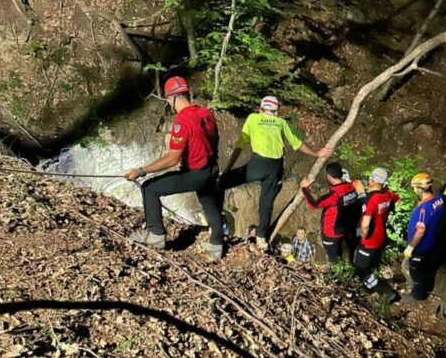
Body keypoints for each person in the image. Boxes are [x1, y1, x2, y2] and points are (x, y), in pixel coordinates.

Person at [124, 76, 224, 258]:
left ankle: (156, 235)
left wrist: (141, 171)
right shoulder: (206, 113)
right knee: (209, 203)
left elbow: (172, 159)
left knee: (150, 188)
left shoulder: (182, 121)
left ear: (171, 98)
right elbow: (215, 140)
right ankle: (216, 246)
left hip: (194, 173)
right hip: (211, 169)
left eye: (168, 99)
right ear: (187, 93)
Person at [220, 95, 331, 251]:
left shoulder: (253, 118)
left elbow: (240, 145)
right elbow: (298, 144)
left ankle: (217, 224)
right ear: (277, 112)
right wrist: (317, 153)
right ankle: (261, 239)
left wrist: (227, 169)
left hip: (257, 164)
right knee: (266, 204)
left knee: (221, 183)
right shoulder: (281, 122)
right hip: (275, 167)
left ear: (261, 110)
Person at [300, 162, 364, 265]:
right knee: (345, 256)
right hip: (346, 230)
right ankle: (348, 271)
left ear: (329, 176)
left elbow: (314, 204)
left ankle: (336, 278)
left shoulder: (335, 194)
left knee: (334, 260)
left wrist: (304, 188)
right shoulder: (351, 188)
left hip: (332, 233)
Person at [353, 167, 400, 300]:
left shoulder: (371, 199)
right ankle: (367, 288)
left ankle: (385, 291)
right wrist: (386, 213)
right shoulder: (387, 194)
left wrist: (363, 236)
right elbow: (398, 199)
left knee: (360, 269)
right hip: (381, 237)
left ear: (372, 180)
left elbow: (366, 223)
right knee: (371, 264)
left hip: (370, 240)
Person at [402, 172, 446, 302]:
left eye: (415, 188)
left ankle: (417, 295)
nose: (414, 190)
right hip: (433, 243)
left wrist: (410, 247)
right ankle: (426, 287)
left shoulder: (423, 209)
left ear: (420, 188)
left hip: (421, 247)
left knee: (416, 271)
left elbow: (420, 231)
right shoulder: (438, 200)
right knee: (427, 269)